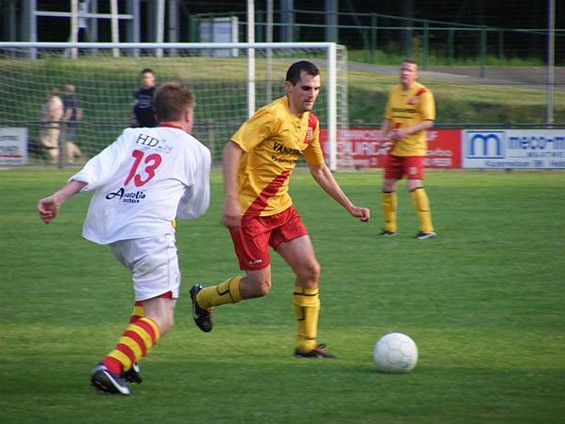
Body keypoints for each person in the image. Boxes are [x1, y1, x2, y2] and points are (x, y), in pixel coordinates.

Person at [37, 82, 211, 395]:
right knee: (163, 316)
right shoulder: (196, 150)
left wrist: (59, 197)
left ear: (157, 114)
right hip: (152, 234)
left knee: (148, 297)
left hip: (117, 233)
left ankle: (129, 360)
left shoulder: (133, 135)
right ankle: (111, 367)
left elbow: (97, 167)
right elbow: (197, 206)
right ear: (188, 114)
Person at [189, 60, 370, 359]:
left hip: (282, 208)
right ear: (289, 87)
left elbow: (319, 169)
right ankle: (203, 298)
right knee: (259, 287)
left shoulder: (310, 124)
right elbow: (233, 148)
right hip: (250, 213)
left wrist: (349, 205)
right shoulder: (271, 116)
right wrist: (231, 199)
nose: (311, 94)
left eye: (316, 89)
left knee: (310, 270)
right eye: (305, 88)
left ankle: (306, 345)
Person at [378, 59, 436, 240]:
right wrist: (382, 136)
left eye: (409, 70)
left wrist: (406, 131)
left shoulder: (423, 93)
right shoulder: (394, 92)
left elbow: (428, 121)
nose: (405, 73)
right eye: (403, 69)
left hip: (414, 149)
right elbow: (388, 118)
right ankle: (389, 228)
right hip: (395, 148)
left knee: (414, 184)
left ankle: (427, 229)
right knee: (387, 185)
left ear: (416, 74)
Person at [40, 86, 64, 164]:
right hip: (50, 123)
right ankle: (54, 158)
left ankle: (55, 158)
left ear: (51, 93)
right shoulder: (55, 100)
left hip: (52, 123)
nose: (46, 93)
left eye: (47, 92)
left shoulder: (54, 101)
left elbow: (52, 113)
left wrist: (47, 118)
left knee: (50, 141)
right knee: (47, 140)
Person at [63, 84, 84, 164]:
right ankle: (80, 155)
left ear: (66, 90)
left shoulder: (69, 99)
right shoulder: (77, 99)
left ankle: (70, 160)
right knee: (70, 141)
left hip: (69, 122)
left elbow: (69, 111)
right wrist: (77, 119)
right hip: (74, 122)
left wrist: (65, 120)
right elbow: (80, 111)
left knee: (68, 141)